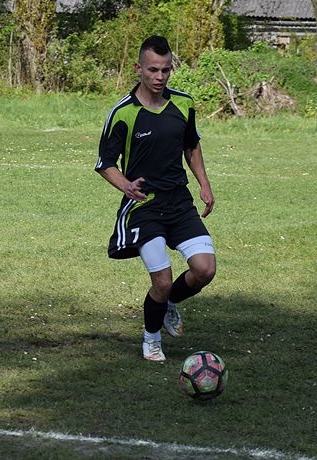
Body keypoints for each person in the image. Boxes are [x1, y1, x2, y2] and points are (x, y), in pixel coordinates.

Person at [95, 35, 216, 362]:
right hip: (144, 206)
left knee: (205, 270)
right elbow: (104, 163)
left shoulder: (184, 104)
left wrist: (203, 182)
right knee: (161, 280)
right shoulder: (122, 114)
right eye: (153, 70)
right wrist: (126, 186)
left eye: (165, 70)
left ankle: (168, 304)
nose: (160, 77)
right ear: (138, 69)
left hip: (179, 202)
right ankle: (151, 341)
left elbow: (191, 145)